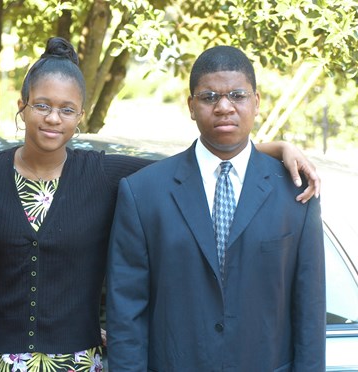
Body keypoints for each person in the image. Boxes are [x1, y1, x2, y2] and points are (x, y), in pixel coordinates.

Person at [0, 38, 321, 371]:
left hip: (79, 362)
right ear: (23, 104)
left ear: (81, 117)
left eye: (67, 109)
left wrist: (273, 149)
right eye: (42, 105)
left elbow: (201, 158)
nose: (53, 118)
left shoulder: (108, 174)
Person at [106, 45, 326, 371]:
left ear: (257, 101)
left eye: (237, 95)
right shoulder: (143, 192)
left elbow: (310, 309)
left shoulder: (296, 191)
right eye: (209, 97)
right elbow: (126, 311)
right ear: (191, 106)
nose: (224, 107)